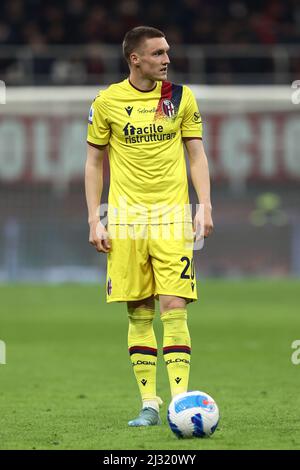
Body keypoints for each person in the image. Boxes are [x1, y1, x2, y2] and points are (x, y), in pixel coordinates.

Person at [85, 26, 213, 426]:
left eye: (167, 52)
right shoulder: (106, 102)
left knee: (174, 306)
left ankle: (181, 402)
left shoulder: (179, 97)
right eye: (157, 53)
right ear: (135, 59)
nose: (166, 59)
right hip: (125, 220)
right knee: (139, 312)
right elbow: (93, 163)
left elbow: (196, 155)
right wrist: (94, 217)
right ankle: (149, 404)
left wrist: (204, 206)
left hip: (172, 216)